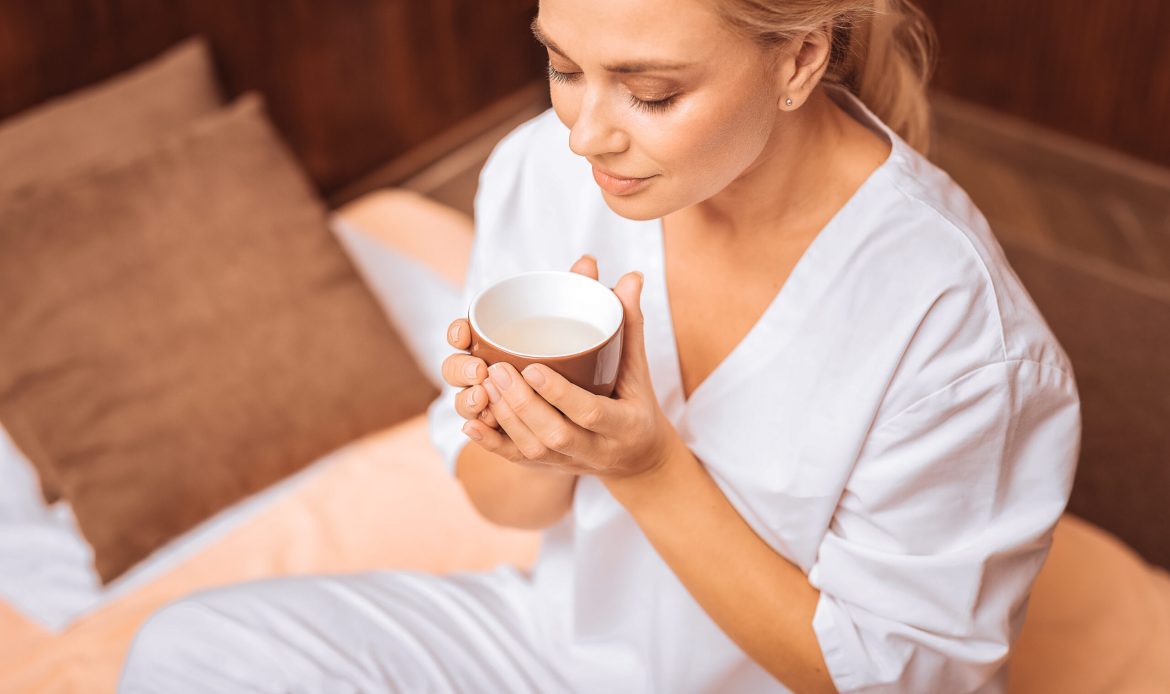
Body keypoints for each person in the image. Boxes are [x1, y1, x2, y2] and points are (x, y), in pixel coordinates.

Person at [120, 0, 1081, 691]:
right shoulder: (544, 170)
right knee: (192, 654)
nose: (585, 135)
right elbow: (499, 505)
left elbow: (891, 678)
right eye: (566, 67)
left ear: (796, 61)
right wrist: (528, 439)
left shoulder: (959, 337)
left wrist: (648, 466)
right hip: (562, 651)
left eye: (650, 93)